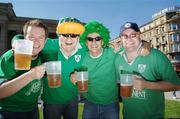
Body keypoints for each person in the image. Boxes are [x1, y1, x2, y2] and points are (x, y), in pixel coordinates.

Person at [115, 22, 180, 119]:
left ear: (139, 35)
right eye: (125, 36)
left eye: (133, 35)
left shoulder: (156, 56)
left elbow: (176, 85)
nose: (129, 39)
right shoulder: (117, 58)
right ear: (121, 39)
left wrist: (147, 84)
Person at [0, 19, 47, 119]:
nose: (36, 42)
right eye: (31, 37)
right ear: (24, 38)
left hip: (33, 110)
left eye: (41, 38)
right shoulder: (11, 57)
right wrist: (30, 75)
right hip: (10, 111)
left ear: (45, 41)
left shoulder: (43, 56)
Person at [41, 17, 86, 119]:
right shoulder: (49, 44)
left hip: (72, 100)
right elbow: (26, 38)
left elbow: (103, 48)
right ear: (59, 35)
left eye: (74, 35)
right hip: (51, 101)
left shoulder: (84, 49)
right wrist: (16, 41)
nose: (69, 39)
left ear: (79, 37)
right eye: (65, 34)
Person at [78, 21, 120, 119]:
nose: (94, 42)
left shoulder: (112, 53)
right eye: (90, 39)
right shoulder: (82, 58)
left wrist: (144, 44)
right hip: (90, 103)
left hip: (111, 104)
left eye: (97, 39)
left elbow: (132, 48)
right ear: (85, 42)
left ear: (102, 41)